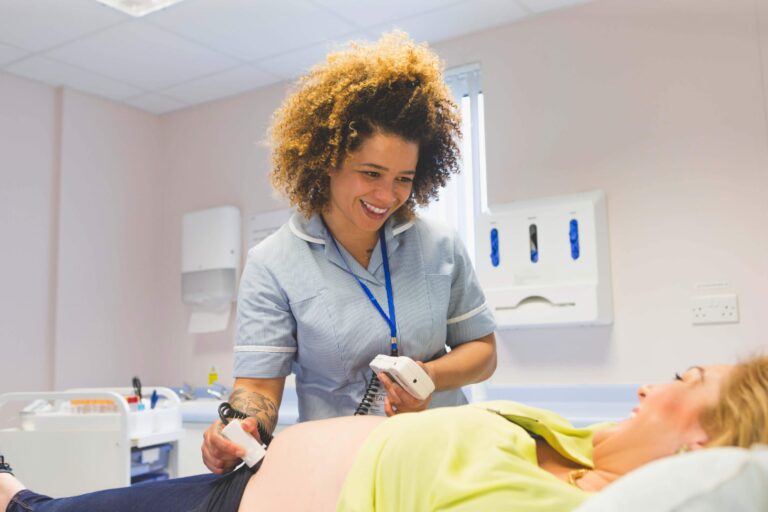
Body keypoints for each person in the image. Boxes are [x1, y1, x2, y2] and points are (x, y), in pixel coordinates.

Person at [202, 31, 498, 474]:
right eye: (371, 173)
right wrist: (240, 429)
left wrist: (430, 377)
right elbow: (259, 388)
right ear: (328, 160)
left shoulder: (439, 245)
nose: (388, 194)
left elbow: (484, 351)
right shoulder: (273, 263)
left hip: (444, 460)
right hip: (342, 471)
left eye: (404, 178)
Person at [2, 355, 767, 512]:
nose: (648, 384)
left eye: (685, 379)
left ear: (709, 443)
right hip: (245, 479)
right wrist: (242, 422)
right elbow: (259, 377)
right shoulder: (573, 437)